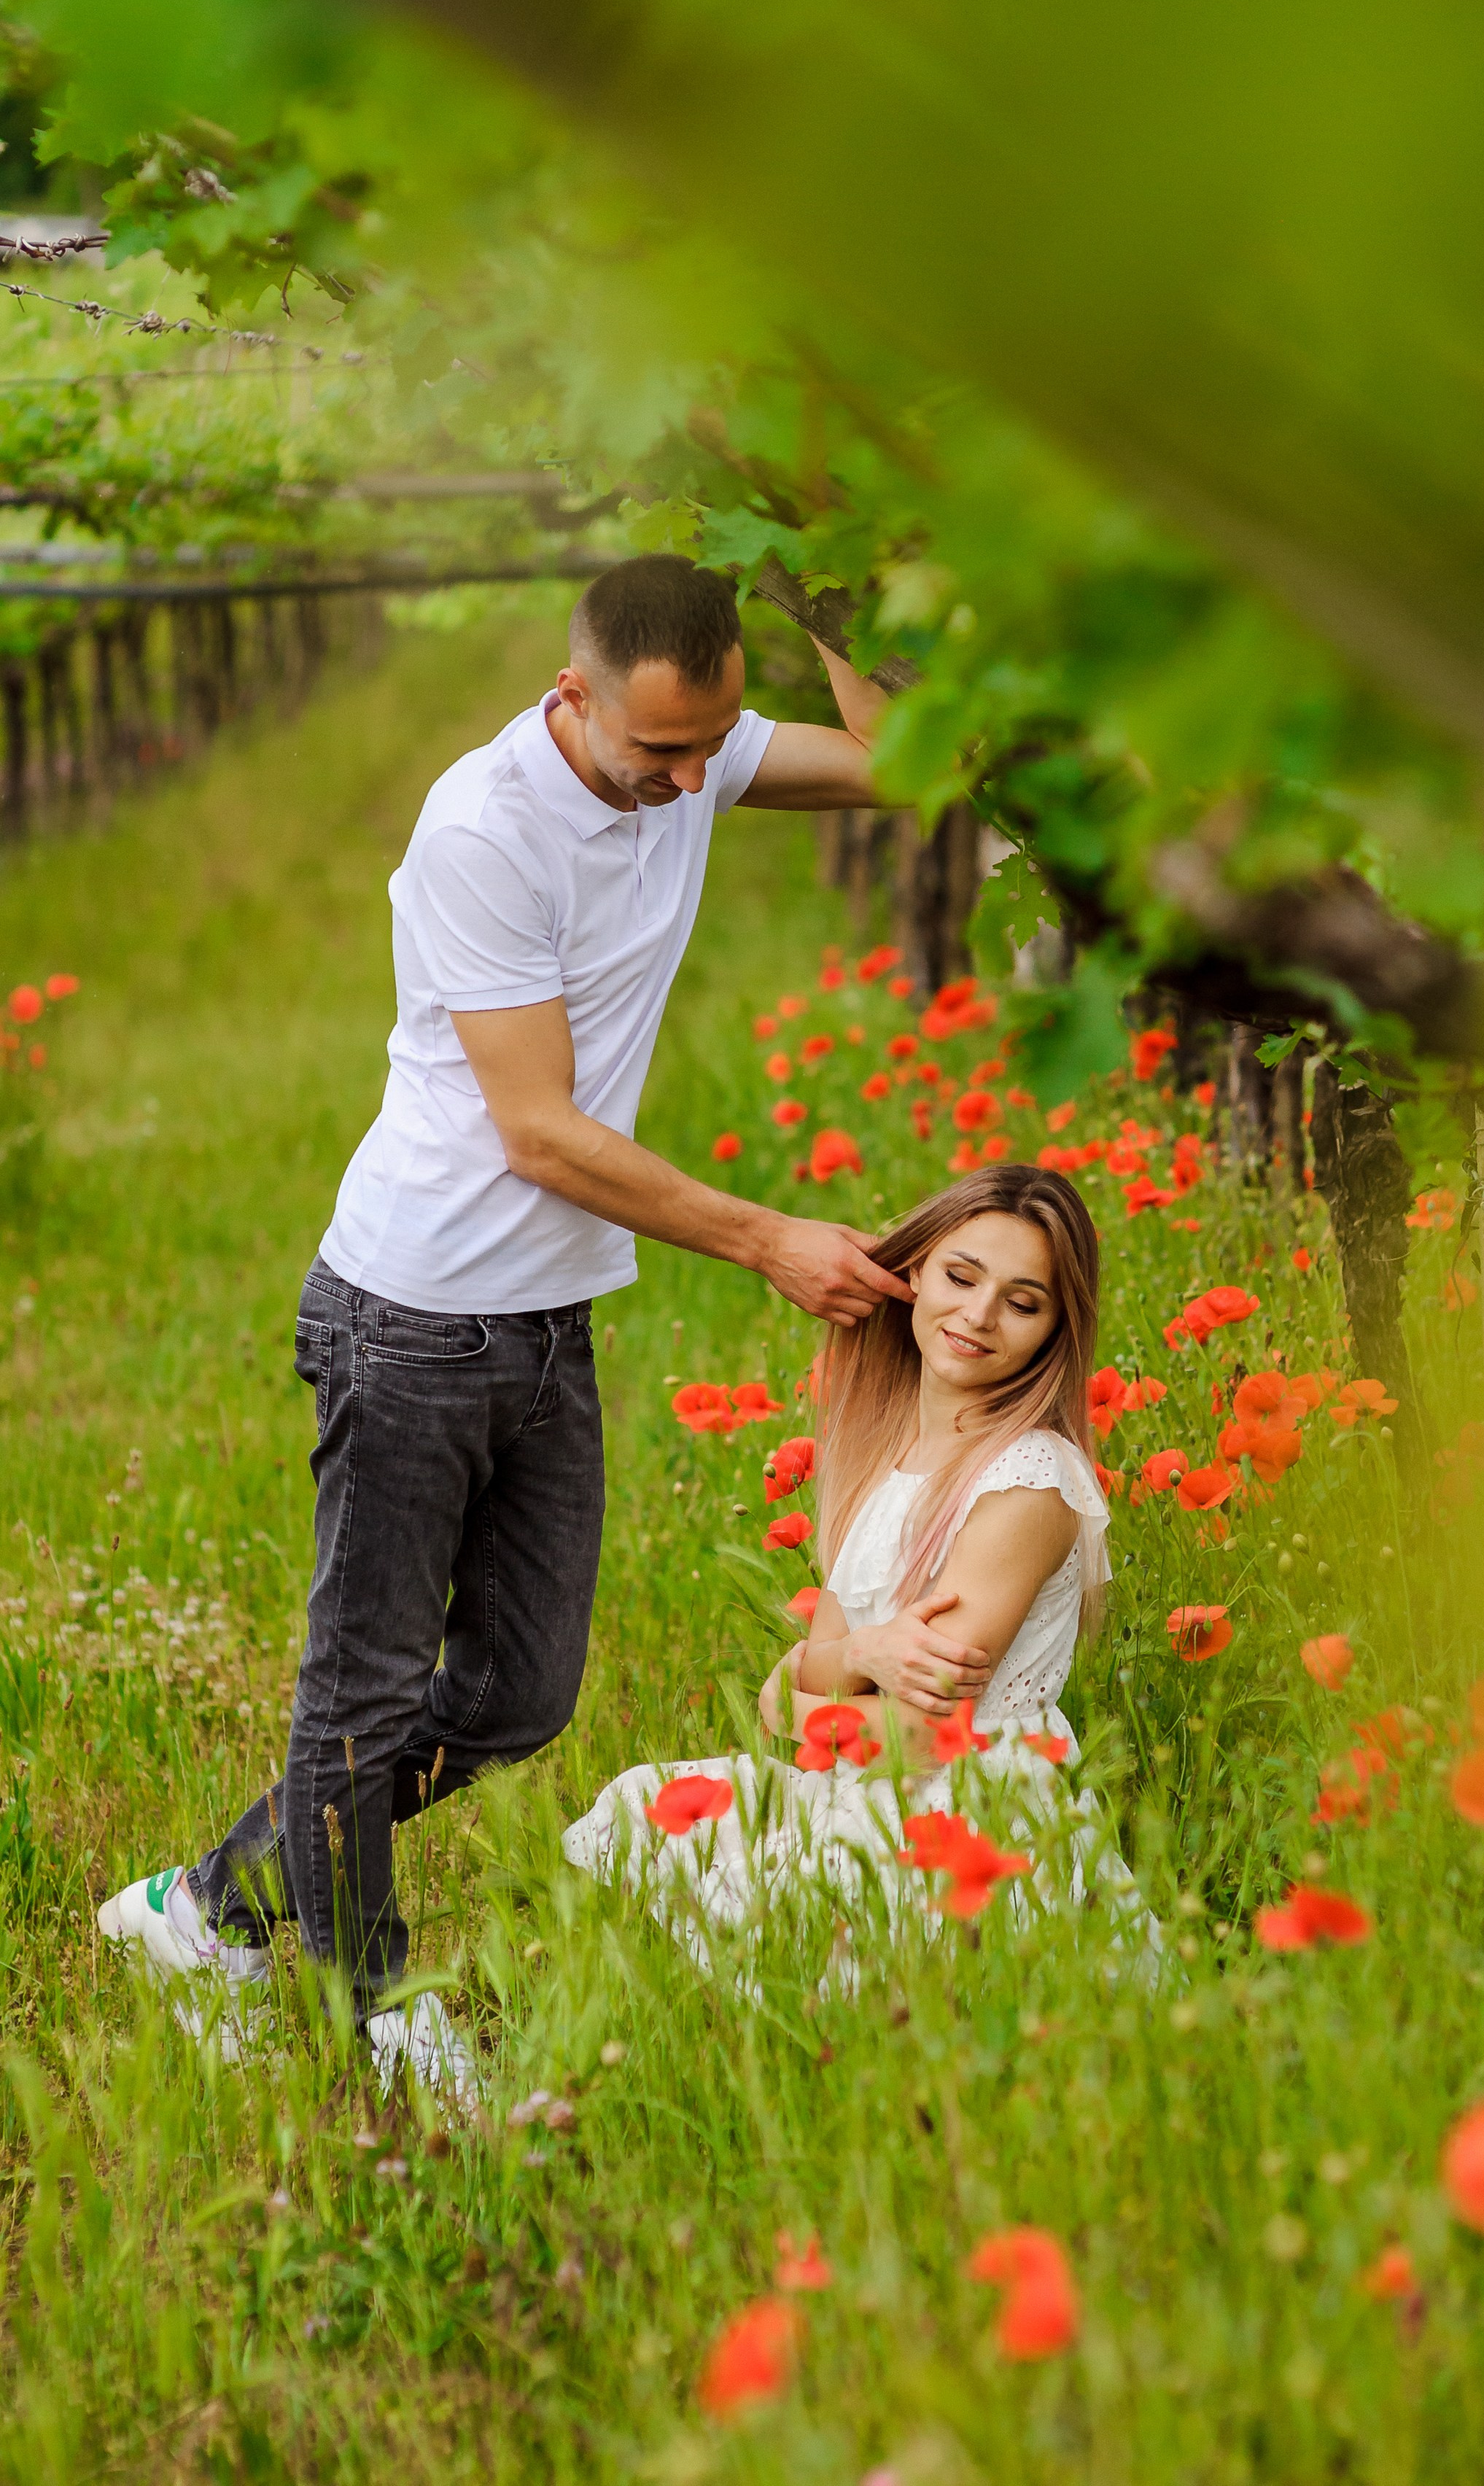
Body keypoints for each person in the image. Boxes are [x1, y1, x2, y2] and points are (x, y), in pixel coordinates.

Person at [96, 554, 992, 2099]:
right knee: (363, 1687)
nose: (691, 779)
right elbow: (540, 1130)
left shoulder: (695, 751)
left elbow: (919, 765)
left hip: (542, 1314)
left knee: (519, 1694)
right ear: (574, 694)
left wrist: (823, 591)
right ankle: (366, 2022)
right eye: (660, 751)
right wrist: (768, 1236)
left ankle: (206, 1908)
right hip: (412, 1312)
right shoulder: (485, 826)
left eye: (712, 745)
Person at [562, 1167, 1152, 1959]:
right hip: (859, 1772)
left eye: (1021, 1302)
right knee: (647, 1804)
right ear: (912, 1275)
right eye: (960, 1276)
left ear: (1054, 1330)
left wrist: (788, 1705)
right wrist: (862, 1654)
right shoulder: (888, 1452)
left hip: (969, 1814)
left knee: (790, 1900)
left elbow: (906, 1728)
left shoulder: (1028, 1477)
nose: (978, 1314)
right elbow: (833, 1668)